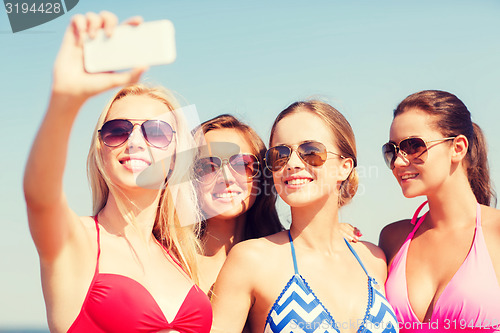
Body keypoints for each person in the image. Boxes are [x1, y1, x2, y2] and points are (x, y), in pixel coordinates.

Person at [23, 12, 211, 333]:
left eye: (155, 132)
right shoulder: (78, 241)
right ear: (101, 152)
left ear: (174, 156)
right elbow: (41, 196)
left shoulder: (183, 259)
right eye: (118, 130)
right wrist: (64, 101)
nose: (135, 142)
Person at [211, 100, 399, 333]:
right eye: (279, 154)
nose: (292, 163)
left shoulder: (375, 259)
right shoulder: (251, 260)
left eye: (310, 152)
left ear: (345, 167)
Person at [379, 90, 500, 332]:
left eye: (413, 146)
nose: (399, 162)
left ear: (458, 148)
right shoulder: (393, 238)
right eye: (392, 151)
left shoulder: (496, 232)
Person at [193, 114, 284, 295]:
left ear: (261, 176)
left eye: (242, 164)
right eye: (208, 166)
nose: (226, 178)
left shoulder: (284, 256)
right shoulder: (165, 259)